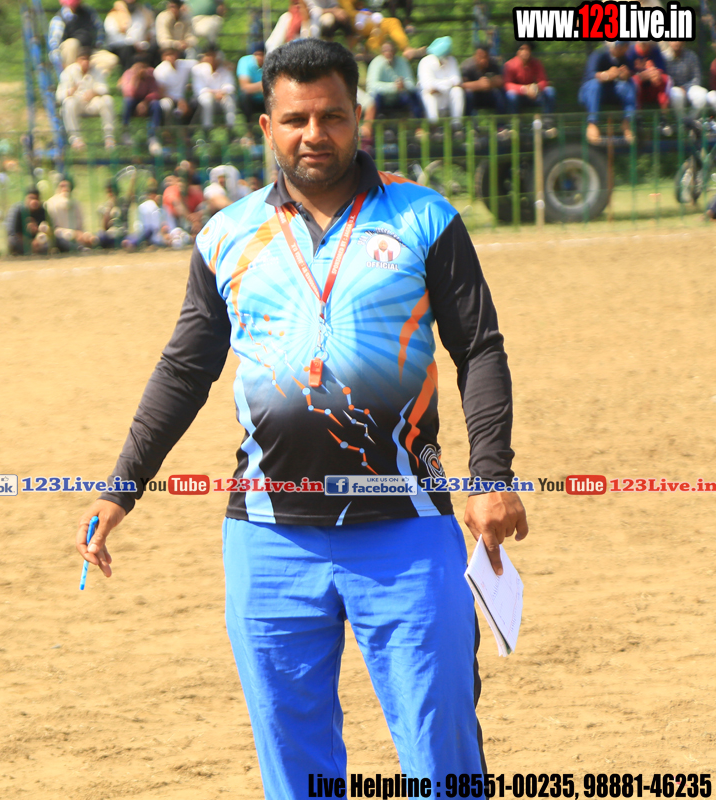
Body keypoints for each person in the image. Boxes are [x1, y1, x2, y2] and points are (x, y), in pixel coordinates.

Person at [74, 37, 526, 799]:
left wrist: (491, 475)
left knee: (442, 757)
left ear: (360, 117)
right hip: (268, 540)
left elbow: (478, 348)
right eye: (296, 119)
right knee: (297, 770)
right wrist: (122, 487)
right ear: (266, 127)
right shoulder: (226, 235)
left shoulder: (424, 218)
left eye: (332, 116)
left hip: (408, 531)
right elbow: (185, 370)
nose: (315, 134)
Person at [58, 48, 117, 150]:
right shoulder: (69, 71)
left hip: (92, 103)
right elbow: (59, 95)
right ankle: (75, 139)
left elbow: (104, 88)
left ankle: (109, 137)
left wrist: (94, 92)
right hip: (77, 104)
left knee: (107, 99)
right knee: (69, 102)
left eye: (87, 59)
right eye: (82, 59)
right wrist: (71, 91)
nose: (85, 62)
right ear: (77, 60)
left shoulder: (96, 70)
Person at [579, 41, 636, 144]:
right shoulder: (599, 54)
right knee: (594, 84)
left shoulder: (625, 58)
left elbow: (632, 74)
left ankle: (627, 122)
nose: (628, 49)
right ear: (619, 47)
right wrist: (606, 75)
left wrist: (626, 76)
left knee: (627, 86)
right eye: (626, 46)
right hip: (590, 93)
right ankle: (592, 123)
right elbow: (589, 75)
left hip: (610, 92)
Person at [48, 0, 120, 76]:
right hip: (71, 55)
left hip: (89, 53)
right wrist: (59, 63)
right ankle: (72, 76)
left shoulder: (89, 12)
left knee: (111, 59)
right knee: (72, 43)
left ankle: (89, 78)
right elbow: (54, 43)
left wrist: (98, 45)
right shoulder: (59, 18)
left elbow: (100, 29)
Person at [119, 55, 163, 155]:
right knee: (127, 101)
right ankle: (125, 131)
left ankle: (153, 136)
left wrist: (145, 102)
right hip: (133, 101)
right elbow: (129, 93)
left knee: (156, 104)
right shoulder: (128, 74)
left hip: (146, 102)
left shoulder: (151, 74)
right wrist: (136, 79)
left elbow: (155, 92)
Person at [366, 41, 422, 118]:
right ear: (381, 52)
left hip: (398, 97)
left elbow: (411, 84)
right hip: (382, 98)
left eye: (390, 50)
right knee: (374, 98)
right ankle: (373, 123)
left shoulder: (402, 62)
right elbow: (372, 86)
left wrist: (404, 85)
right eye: (385, 51)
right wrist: (394, 86)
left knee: (414, 95)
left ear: (395, 51)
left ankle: (418, 123)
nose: (388, 53)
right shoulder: (376, 63)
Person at [417, 36, 464, 121]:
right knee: (428, 95)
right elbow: (427, 85)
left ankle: (456, 123)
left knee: (457, 91)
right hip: (432, 97)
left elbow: (457, 80)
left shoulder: (452, 60)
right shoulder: (425, 62)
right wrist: (449, 83)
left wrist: (438, 86)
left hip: (446, 96)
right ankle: (434, 124)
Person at [191, 46, 238, 131]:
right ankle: (207, 129)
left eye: (213, 55)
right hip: (205, 97)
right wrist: (214, 93)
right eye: (209, 55)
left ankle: (231, 129)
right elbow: (199, 89)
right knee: (207, 100)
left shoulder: (226, 68)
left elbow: (230, 86)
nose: (211, 58)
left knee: (230, 101)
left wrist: (222, 92)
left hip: (222, 96)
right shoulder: (197, 69)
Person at [104, 0, 157, 73]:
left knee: (154, 48)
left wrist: (144, 44)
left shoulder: (144, 13)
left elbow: (151, 30)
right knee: (128, 49)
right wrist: (133, 44)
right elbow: (113, 36)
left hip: (142, 45)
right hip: (121, 47)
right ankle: (128, 75)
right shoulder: (114, 15)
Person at [46, 178, 99, 251]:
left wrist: (86, 235)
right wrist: (74, 234)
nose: (65, 189)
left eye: (67, 186)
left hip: (78, 236)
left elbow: (81, 227)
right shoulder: (50, 204)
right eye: (62, 186)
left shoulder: (76, 204)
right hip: (60, 236)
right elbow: (53, 229)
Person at [503, 42, 554, 114]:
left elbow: (543, 81)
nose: (525, 52)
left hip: (534, 94)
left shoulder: (537, 63)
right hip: (519, 96)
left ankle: (548, 119)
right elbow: (507, 84)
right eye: (522, 49)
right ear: (517, 52)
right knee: (511, 95)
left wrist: (536, 88)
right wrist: (524, 89)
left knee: (550, 91)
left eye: (527, 49)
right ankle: (515, 119)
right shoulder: (509, 65)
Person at [6, 187, 54, 256]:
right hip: (21, 240)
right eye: (31, 198)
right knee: (12, 240)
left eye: (36, 198)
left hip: (37, 240)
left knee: (45, 239)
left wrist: (37, 230)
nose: (34, 201)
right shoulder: (17, 210)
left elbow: (50, 229)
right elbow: (12, 232)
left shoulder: (42, 211)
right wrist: (28, 242)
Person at [154, 46, 196, 125]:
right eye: (168, 55)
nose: (171, 57)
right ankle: (167, 128)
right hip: (169, 99)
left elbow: (200, 63)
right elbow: (161, 93)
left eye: (173, 54)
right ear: (163, 57)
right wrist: (178, 100)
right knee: (166, 105)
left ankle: (189, 130)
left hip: (183, 99)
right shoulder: (160, 70)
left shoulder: (184, 64)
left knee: (195, 104)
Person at [626, 41, 671, 114]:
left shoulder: (655, 50)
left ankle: (664, 116)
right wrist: (641, 76)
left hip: (653, 87)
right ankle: (638, 115)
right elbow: (628, 74)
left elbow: (661, 70)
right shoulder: (630, 52)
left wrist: (655, 74)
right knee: (635, 80)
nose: (644, 44)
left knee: (665, 78)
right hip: (639, 89)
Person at [664, 41, 707, 115]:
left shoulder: (691, 56)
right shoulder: (663, 57)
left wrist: (685, 87)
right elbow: (663, 78)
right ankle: (680, 119)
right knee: (677, 94)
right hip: (671, 89)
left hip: (689, 87)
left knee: (702, 94)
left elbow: (697, 78)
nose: (676, 43)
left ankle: (691, 118)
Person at [460, 46, 506, 115]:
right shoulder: (467, 66)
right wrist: (478, 84)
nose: (483, 60)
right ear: (475, 56)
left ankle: (502, 121)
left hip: (488, 94)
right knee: (468, 95)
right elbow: (461, 85)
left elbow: (501, 81)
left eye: (485, 57)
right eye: (480, 57)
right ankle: (468, 120)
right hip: (474, 96)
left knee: (500, 93)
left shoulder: (493, 63)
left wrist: (490, 82)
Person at [122, 183, 167, 248]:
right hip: (149, 231)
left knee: (138, 235)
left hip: (141, 229)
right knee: (145, 235)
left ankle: (128, 240)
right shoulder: (153, 205)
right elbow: (155, 225)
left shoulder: (142, 205)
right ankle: (131, 243)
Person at [237, 42, 267, 135]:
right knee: (245, 97)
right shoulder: (245, 62)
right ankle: (249, 131)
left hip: (265, 99)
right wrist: (262, 86)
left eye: (261, 54)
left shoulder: (270, 61)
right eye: (257, 54)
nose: (259, 57)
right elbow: (244, 87)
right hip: (250, 101)